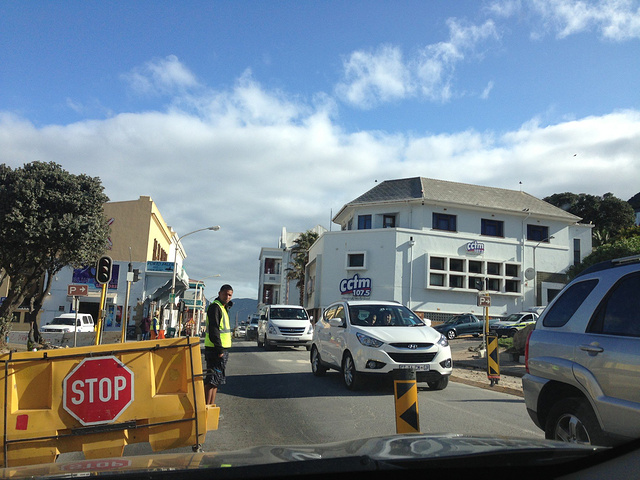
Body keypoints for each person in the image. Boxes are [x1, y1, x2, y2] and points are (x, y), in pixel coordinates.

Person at [204, 284, 233, 406]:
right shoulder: (215, 307)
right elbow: (214, 329)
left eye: (230, 295)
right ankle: (206, 407)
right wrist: (219, 349)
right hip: (215, 350)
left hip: (221, 349)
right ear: (219, 293)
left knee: (216, 380)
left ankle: (211, 407)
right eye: (225, 294)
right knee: (211, 380)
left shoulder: (223, 307)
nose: (227, 297)